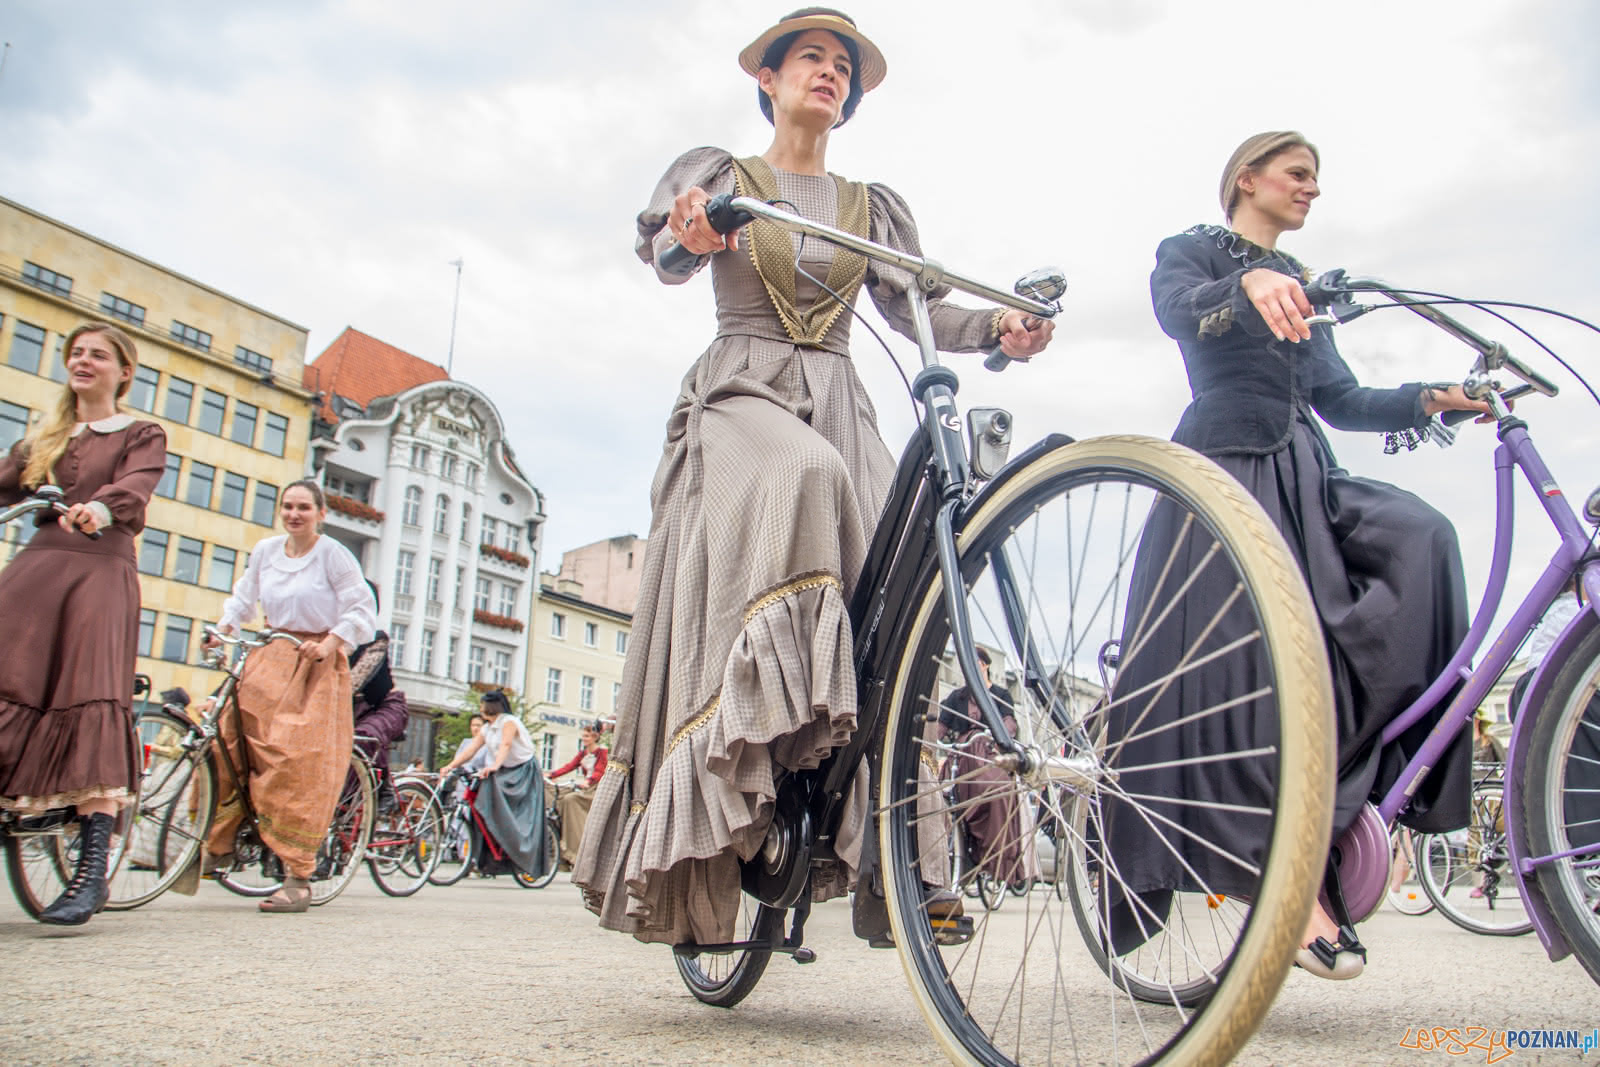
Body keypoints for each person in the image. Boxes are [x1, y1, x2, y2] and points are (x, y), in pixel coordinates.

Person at [572, 8, 1055, 948]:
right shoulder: (727, 175)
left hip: (840, 396)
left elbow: (921, 304)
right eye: (811, 59)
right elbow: (670, 251)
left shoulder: (868, 206)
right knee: (807, 476)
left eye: (843, 66)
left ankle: (909, 863)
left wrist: (1000, 331)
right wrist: (692, 233)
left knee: (908, 575)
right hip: (742, 389)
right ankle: (745, 772)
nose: (828, 73)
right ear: (770, 79)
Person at [1104, 131, 1492, 980]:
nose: (1312, 189)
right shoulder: (1195, 250)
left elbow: (1343, 399)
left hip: (1306, 472)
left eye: (1316, 179)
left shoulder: (1307, 285)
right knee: (1243, 676)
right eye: (1298, 174)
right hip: (1228, 465)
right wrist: (1246, 282)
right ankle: (1284, 885)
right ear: (1248, 179)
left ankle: (1358, 801)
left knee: (1424, 538)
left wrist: (1436, 397)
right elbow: (1180, 310)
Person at [0, 321, 166, 925]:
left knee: (91, 699)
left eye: (98, 354)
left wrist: (100, 507)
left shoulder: (140, 431)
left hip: (99, 573)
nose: (83, 361)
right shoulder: (44, 437)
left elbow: (137, 487)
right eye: (75, 353)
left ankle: (90, 873)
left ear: (124, 371)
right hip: (36, 570)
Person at [203, 479, 377, 913]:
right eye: (288, 507)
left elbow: (361, 609)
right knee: (226, 740)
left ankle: (298, 876)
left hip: (316, 661)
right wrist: (224, 627)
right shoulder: (265, 551)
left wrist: (331, 642)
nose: (294, 514)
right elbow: (245, 598)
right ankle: (221, 841)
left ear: (320, 513)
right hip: (272, 653)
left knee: (295, 761)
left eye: (303, 507)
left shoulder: (333, 554)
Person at [937, 649, 1039, 888]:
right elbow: (939, 728)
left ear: (984, 666)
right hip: (962, 755)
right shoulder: (957, 697)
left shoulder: (1000, 694)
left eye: (974, 665)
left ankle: (995, 856)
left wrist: (1001, 735)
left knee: (998, 789)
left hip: (990, 753)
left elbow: (1009, 724)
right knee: (943, 791)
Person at [437, 690, 546, 877]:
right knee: (482, 802)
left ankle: (521, 851)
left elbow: (506, 745)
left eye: (482, 706)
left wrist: (494, 765)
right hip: (503, 770)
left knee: (517, 817)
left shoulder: (508, 722)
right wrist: (450, 766)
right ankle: (489, 854)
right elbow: (470, 750)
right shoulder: (487, 728)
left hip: (521, 771)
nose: (480, 709)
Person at [548, 723, 609, 869]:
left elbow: (600, 771)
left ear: (595, 737)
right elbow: (569, 766)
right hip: (586, 787)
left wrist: (588, 781)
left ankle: (576, 850)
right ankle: (563, 847)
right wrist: (551, 775)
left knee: (571, 800)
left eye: (587, 736)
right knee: (558, 797)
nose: (584, 738)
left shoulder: (602, 753)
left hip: (595, 789)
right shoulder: (583, 754)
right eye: (583, 735)